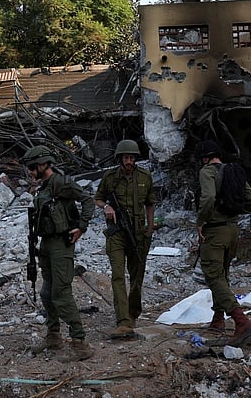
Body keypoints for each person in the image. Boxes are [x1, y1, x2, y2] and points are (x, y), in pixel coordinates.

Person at [21, 145, 96, 361]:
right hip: (46, 243)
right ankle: (53, 336)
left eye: (33, 167)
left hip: (61, 243)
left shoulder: (60, 183)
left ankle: (80, 343)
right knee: (46, 293)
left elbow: (87, 200)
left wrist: (81, 227)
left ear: (44, 164)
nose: (31, 172)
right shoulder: (44, 186)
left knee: (61, 294)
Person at [195, 140, 251, 346]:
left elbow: (208, 198)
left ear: (205, 158)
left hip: (214, 232)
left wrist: (201, 222)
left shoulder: (207, 172)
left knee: (214, 277)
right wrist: (232, 213)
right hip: (232, 230)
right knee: (223, 275)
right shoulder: (233, 171)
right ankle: (218, 319)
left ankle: (241, 321)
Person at [94, 139, 156, 339]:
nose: (129, 161)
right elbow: (98, 198)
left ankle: (133, 312)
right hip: (117, 233)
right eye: (126, 158)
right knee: (118, 275)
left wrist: (150, 227)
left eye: (132, 158)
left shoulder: (145, 177)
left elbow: (150, 203)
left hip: (138, 233)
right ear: (119, 158)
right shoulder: (110, 178)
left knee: (137, 276)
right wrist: (107, 207)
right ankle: (123, 320)